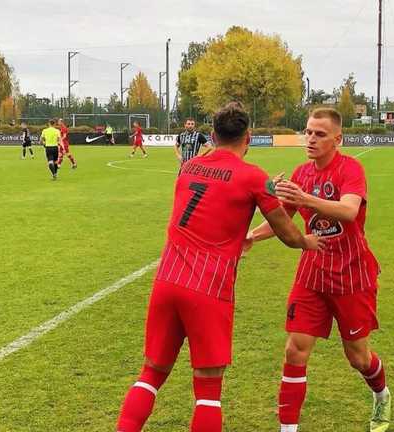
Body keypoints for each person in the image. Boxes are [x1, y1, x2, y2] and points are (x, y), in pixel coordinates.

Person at [116, 102, 324, 432]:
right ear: (249, 137)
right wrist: (306, 241)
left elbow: (216, 198)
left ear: (212, 135)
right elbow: (285, 230)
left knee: (151, 374)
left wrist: (261, 191)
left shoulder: (189, 168)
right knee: (208, 393)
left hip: (167, 279)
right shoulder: (253, 177)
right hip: (208, 287)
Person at [244, 108, 391, 432]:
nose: (311, 139)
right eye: (308, 132)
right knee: (295, 350)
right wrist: (251, 235)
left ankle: (381, 395)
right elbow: (283, 217)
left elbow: (349, 211)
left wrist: (305, 199)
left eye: (319, 134)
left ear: (337, 139)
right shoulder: (301, 173)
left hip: (352, 275)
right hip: (312, 273)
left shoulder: (351, 168)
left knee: (358, 358)